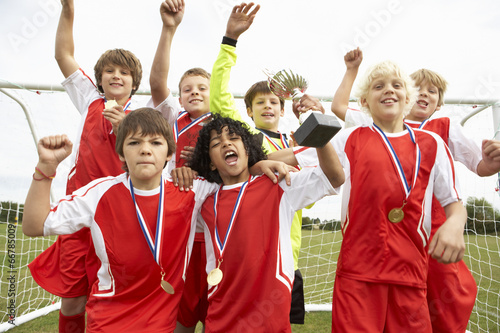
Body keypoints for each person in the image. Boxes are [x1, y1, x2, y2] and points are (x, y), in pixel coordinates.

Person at [22, 109, 289, 332]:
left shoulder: (192, 189)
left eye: (156, 143)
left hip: (161, 323)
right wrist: (45, 168)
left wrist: (257, 165)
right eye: (134, 143)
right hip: (109, 322)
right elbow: (35, 225)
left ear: (170, 154)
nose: (146, 150)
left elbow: (233, 176)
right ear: (121, 154)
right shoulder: (99, 193)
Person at [271, 60, 467, 331]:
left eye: (396, 85)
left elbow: (454, 204)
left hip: (409, 274)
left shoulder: (432, 145)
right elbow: (296, 155)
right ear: (364, 101)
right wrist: (254, 161)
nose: (389, 90)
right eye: (379, 86)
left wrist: (454, 225)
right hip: (358, 273)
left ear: (407, 98)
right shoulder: (349, 137)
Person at [27, 1, 177, 332]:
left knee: (115, 291)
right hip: (80, 210)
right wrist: (68, 10)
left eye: (124, 72)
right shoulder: (90, 99)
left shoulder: (142, 117)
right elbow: (63, 56)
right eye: (110, 70)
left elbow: (154, 152)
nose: (116, 75)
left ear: (133, 82)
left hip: (123, 214)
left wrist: (126, 125)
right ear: (99, 79)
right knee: (73, 296)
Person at [331, 48, 500, 332]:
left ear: (439, 103)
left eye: (432, 91)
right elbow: (339, 108)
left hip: (433, 228)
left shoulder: (442, 131)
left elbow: (479, 166)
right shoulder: (375, 126)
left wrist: (492, 163)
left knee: (446, 298)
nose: (424, 93)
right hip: (376, 238)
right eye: (418, 87)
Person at [209, 3, 326, 323]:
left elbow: (316, 190)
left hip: (288, 254)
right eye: (260, 103)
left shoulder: (296, 143)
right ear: (248, 111)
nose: (268, 106)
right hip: (244, 254)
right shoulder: (244, 138)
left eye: (274, 101)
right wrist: (229, 41)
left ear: (283, 107)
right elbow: (218, 97)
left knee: (279, 325)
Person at [186, 115, 344, 332]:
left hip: (269, 317)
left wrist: (321, 139)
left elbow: (334, 178)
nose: (226, 143)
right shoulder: (205, 197)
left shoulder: (277, 183)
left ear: (247, 150)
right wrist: (183, 171)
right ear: (211, 161)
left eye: (234, 138)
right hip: (221, 315)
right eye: (216, 143)